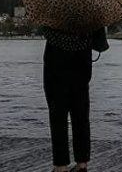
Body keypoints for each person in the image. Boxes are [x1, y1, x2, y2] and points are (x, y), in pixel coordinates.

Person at [42, 26, 106, 172]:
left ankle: (60, 165)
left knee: (57, 115)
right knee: (81, 114)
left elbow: (45, 29)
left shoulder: (54, 6)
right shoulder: (90, 9)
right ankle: (82, 164)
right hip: (81, 60)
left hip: (56, 60)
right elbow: (99, 41)